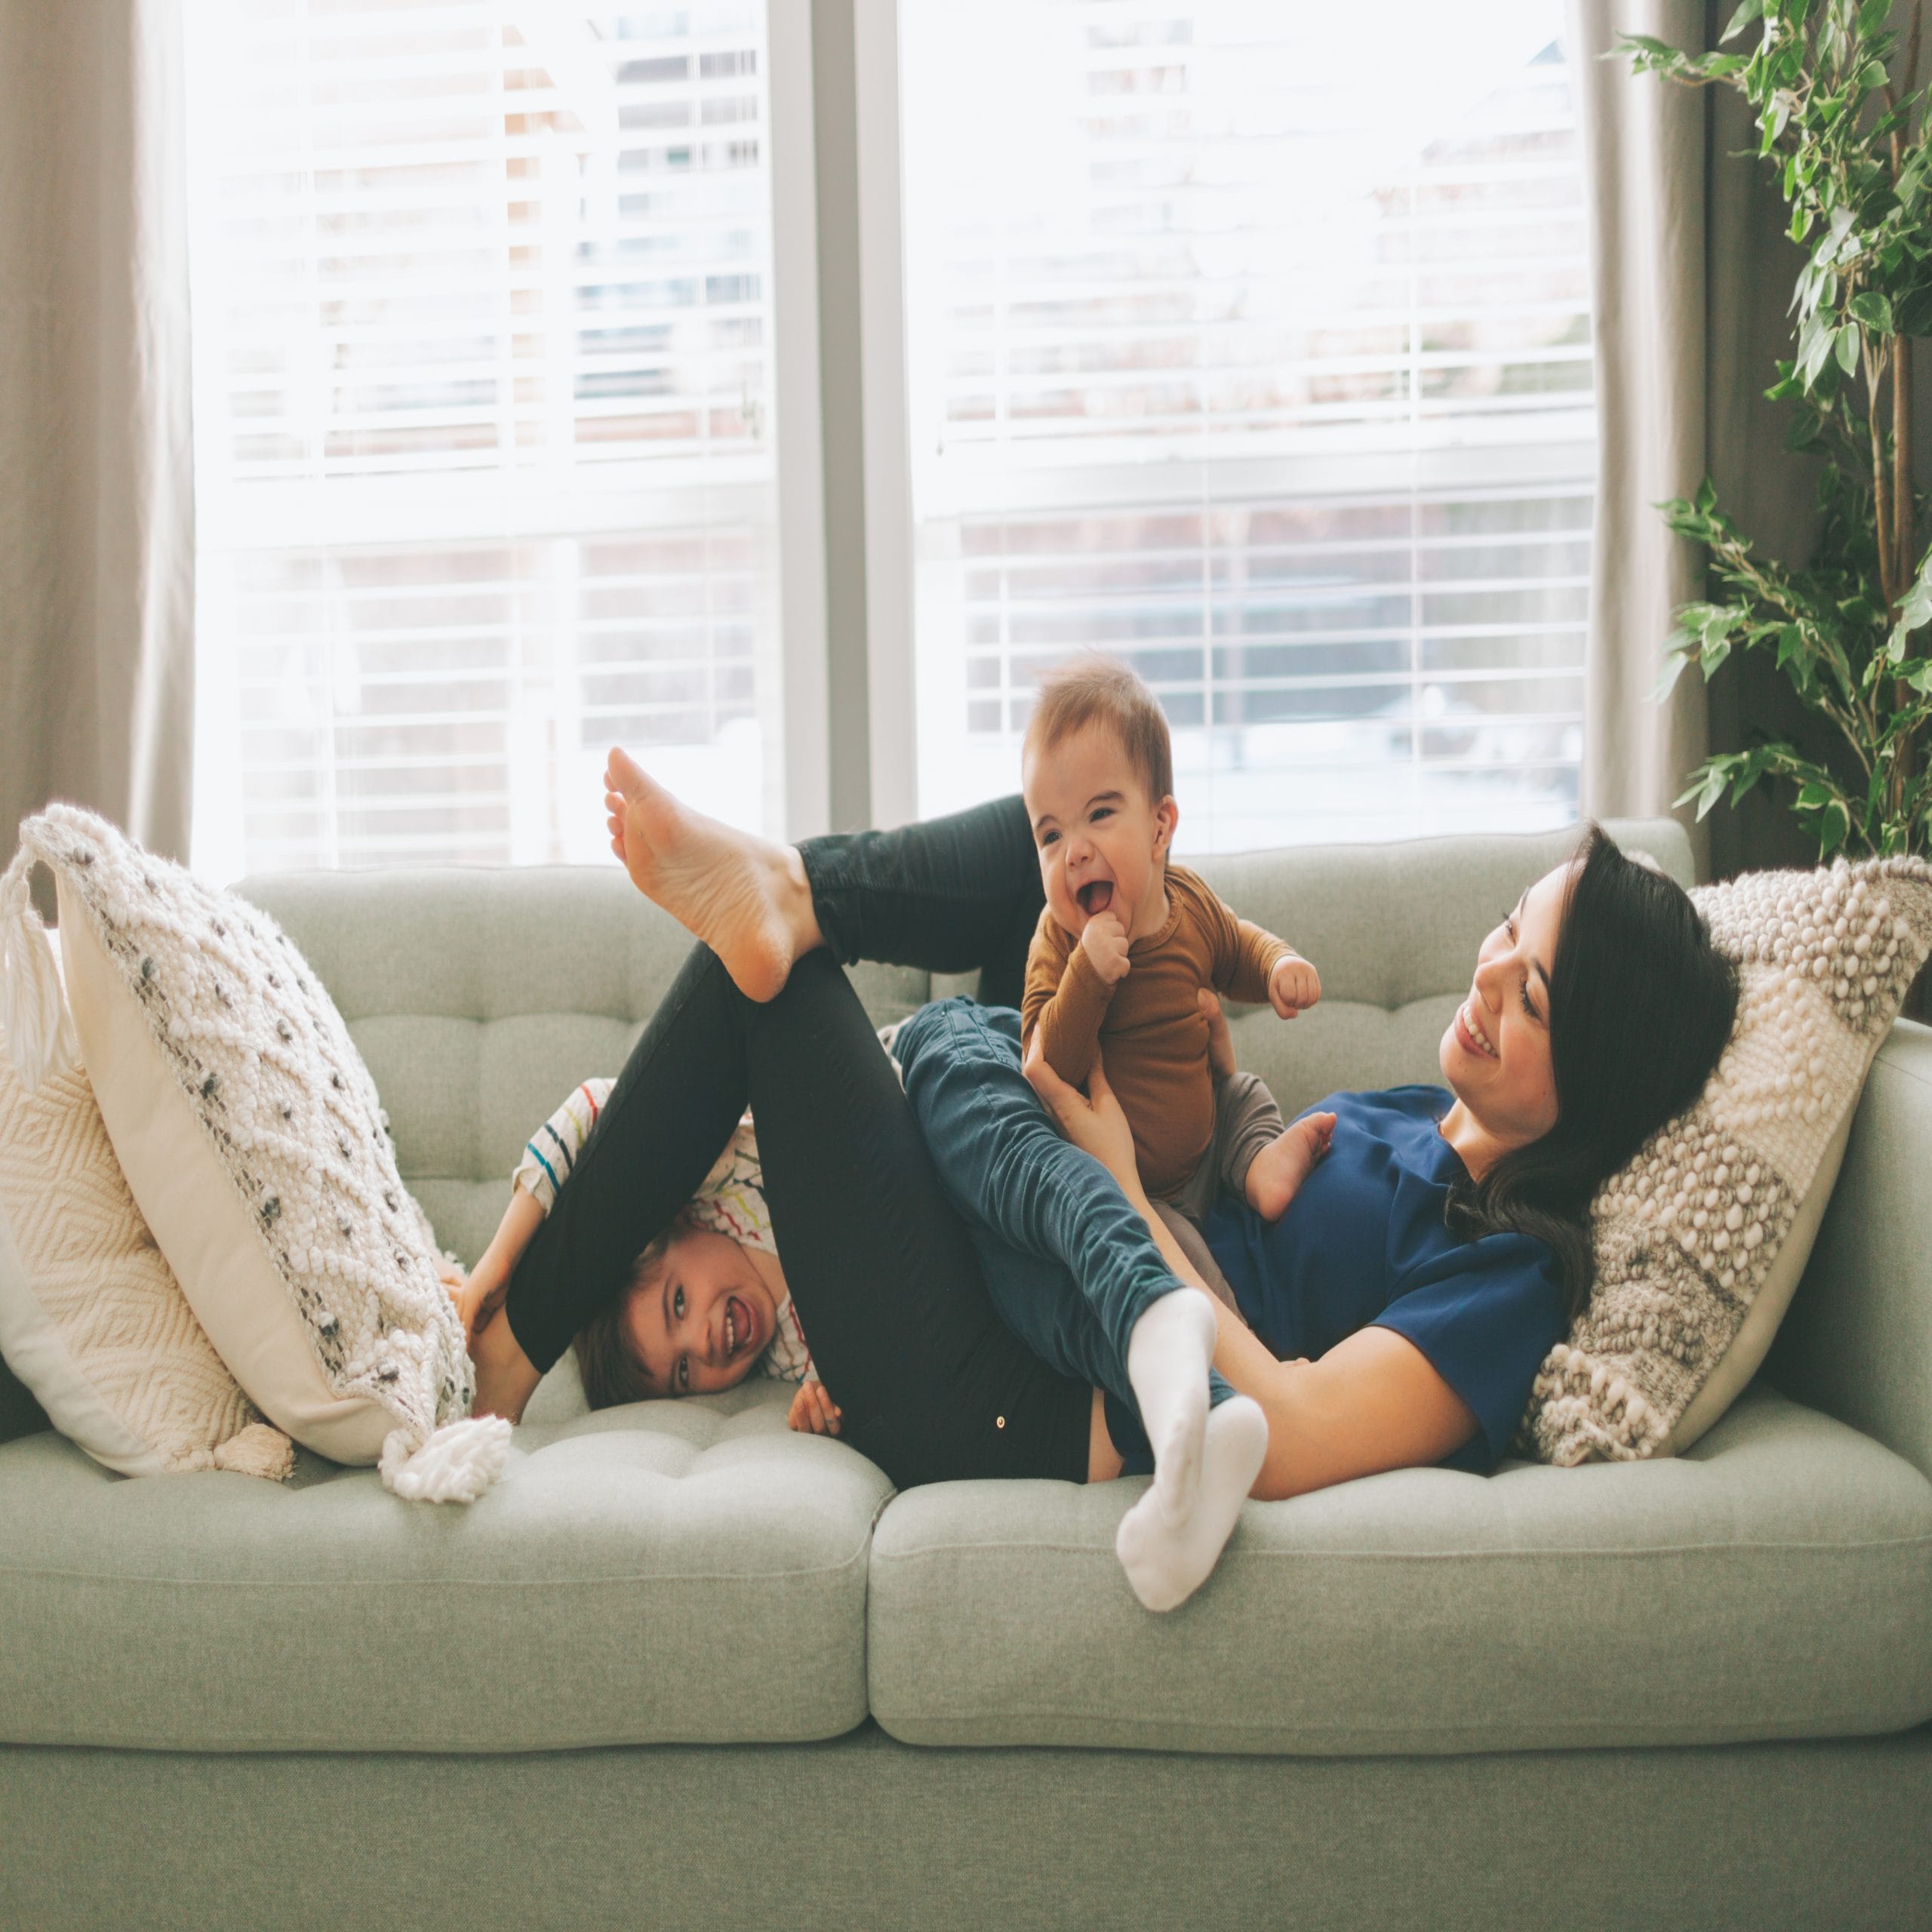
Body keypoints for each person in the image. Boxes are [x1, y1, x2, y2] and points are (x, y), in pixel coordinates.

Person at [463, 754, 1738, 1609]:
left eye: (1537, 994)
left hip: (1024, 1388)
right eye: (1511, 928)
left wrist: (1121, 1180)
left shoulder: (1505, 1273)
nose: (1490, 975)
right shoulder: (1415, 1117)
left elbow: (1290, 1435)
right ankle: (804, 888)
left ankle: (506, 1353)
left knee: (777, 985)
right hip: (1022, 1244)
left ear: (1600, 1076)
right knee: (1076, 852)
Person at [1019, 656, 1330, 1223]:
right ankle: (1218, 1307)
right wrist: (1087, 974)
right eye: (1051, 834)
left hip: (1212, 1140)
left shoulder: (1188, 903)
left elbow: (1237, 947)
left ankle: (1259, 1167)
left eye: (1099, 813)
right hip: (1132, 1193)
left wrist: (1278, 964)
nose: (1076, 851)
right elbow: (1047, 1070)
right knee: (1177, 1268)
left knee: (1245, 1094)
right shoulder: (1058, 941)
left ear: (1160, 827)